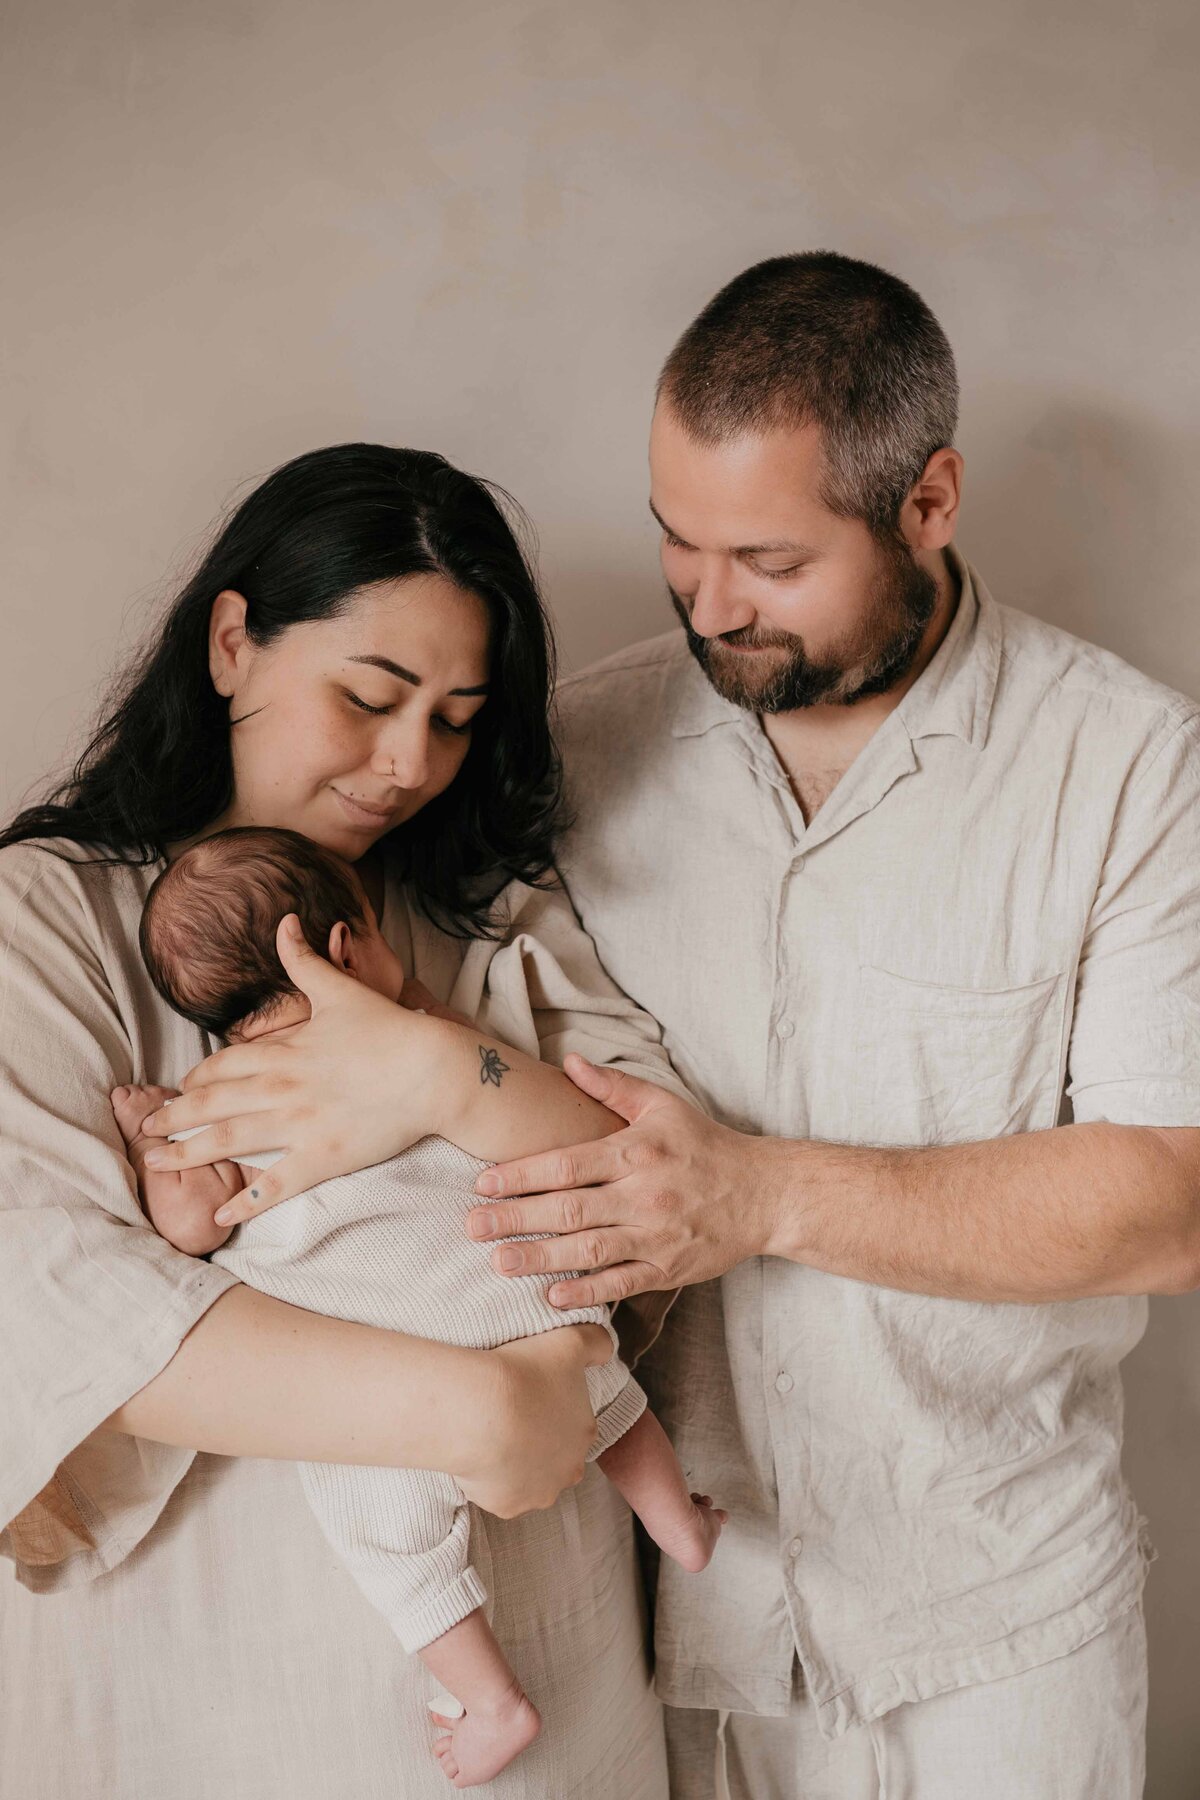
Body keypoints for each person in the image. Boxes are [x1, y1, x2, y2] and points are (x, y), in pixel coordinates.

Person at [446, 254, 1200, 1797]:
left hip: (1005, 1635)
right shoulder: (577, 749)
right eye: (678, 540)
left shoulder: (1134, 767)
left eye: (771, 561)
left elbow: (1170, 1202)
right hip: (685, 1631)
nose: (711, 604)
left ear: (928, 502)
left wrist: (761, 1194)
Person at [0, 442, 695, 1799]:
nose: (407, 762)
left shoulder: (484, 921)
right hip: (207, 1685)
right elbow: (46, 1291)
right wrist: (477, 1406)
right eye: (370, 697)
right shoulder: (48, 918)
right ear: (230, 644)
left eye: (454, 717)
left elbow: (659, 1188)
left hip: (555, 1667)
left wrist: (441, 1077)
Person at [116, 823, 723, 1789]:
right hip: (518, 1293)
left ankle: (494, 1703)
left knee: (384, 1539)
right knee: (610, 1390)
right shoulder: (419, 1040)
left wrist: (151, 1135)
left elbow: (190, 1225)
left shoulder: (214, 1096)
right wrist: (426, 1011)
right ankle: (676, 1520)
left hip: (397, 1380)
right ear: (350, 948)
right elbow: (489, 1090)